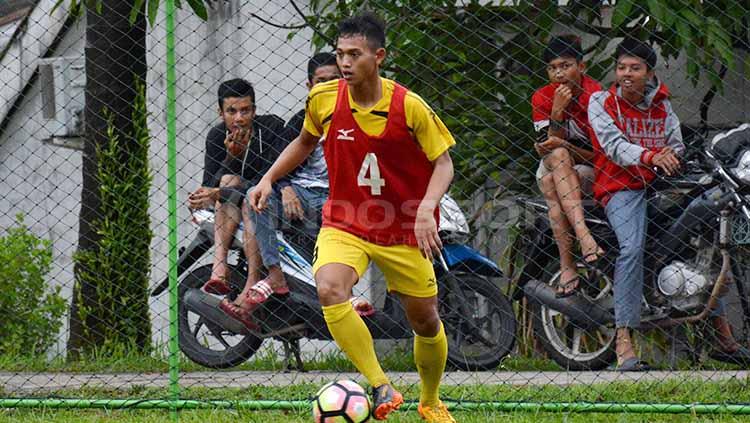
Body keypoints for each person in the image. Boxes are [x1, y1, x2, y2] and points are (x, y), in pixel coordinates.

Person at [249, 12, 457, 422]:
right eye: (341, 53)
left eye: (354, 54)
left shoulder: (408, 107)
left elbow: (444, 163)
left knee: (426, 319)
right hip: (347, 220)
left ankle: (431, 402)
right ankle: (380, 384)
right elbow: (305, 141)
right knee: (329, 288)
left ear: (378, 57)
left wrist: (427, 209)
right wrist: (269, 178)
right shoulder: (324, 99)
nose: (345, 63)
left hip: (399, 226)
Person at [219, 53, 375, 324]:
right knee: (257, 197)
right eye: (320, 81)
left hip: (342, 197)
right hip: (303, 195)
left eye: (333, 80)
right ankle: (274, 273)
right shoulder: (300, 122)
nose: (326, 86)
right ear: (309, 86)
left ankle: (343, 293)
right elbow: (277, 162)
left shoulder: (359, 116)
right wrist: (285, 186)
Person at [188, 79, 287, 295]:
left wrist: (222, 192)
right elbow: (210, 186)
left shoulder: (271, 128)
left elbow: (273, 177)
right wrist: (232, 157)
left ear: (254, 110)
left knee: (248, 196)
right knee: (227, 181)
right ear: (221, 112)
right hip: (233, 205)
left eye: (245, 110)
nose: (239, 118)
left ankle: (252, 280)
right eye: (232, 111)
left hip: (267, 200)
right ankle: (219, 266)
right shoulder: (217, 136)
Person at [531, 35, 604, 297]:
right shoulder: (542, 97)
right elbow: (544, 147)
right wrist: (557, 113)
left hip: (589, 169)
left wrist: (567, 148)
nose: (559, 73)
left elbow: (601, 157)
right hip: (555, 163)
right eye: (552, 68)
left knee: (554, 178)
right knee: (559, 156)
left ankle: (567, 265)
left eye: (565, 65)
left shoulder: (597, 97)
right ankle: (584, 237)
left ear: (581, 66)